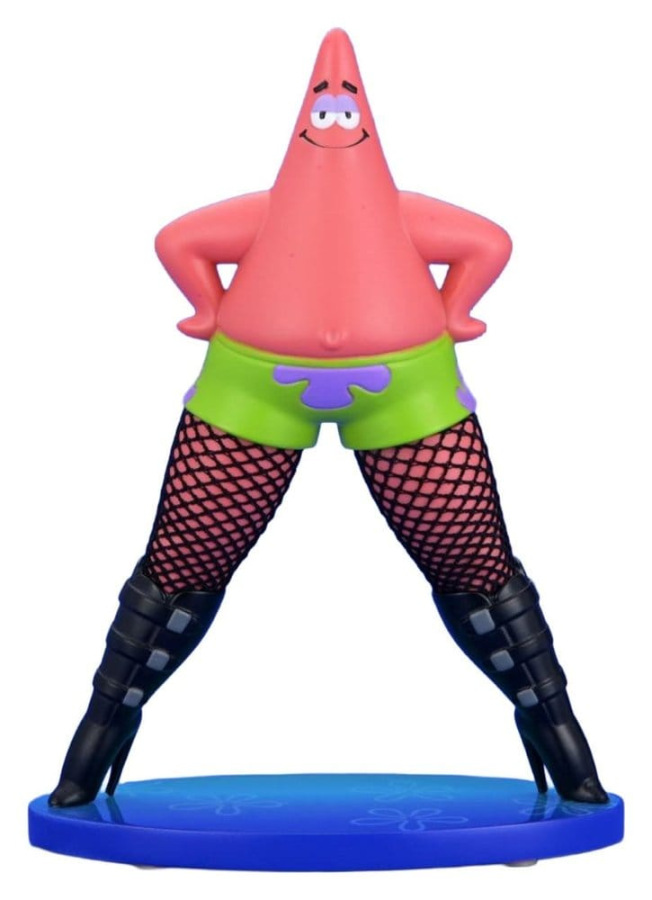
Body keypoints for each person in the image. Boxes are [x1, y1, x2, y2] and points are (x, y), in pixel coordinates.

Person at [49, 28, 607, 808]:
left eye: (347, 107)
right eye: (325, 105)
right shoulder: (278, 211)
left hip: (406, 387)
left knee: (476, 567)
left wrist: (456, 312)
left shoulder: (394, 212)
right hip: (253, 385)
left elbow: (487, 244)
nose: (336, 117)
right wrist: (210, 307)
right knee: (181, 567)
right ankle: (96, 743)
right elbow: (178, 241)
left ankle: (561, 742)